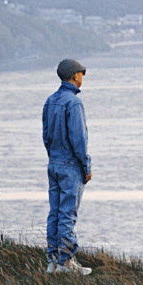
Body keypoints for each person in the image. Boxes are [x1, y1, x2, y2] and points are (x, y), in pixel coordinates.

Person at [43, 58, 93, 271]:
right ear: (74, 76)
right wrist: (86, 166)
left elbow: (46, 135)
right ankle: (66, 262)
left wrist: (52, 156)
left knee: (55, 212)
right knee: (67, 214)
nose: (83, 77)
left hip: (53, 163)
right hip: (71, 165)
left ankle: (52, 261)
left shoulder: (50, 100)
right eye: (81, 73)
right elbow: (78, 139)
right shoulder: (74, 103)